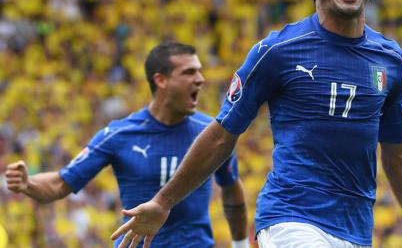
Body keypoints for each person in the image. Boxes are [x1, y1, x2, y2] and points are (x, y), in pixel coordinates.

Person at [111, 0, 402, 248]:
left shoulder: (392, 59)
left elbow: (398, 152)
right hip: (290, 218)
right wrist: (163, 201)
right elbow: (221, 135)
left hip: (356, 230)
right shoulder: (277, 51)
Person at [5, 42, 249, 248]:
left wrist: (240, 244)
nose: (200, 79)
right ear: (160, 80)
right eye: (189, 72)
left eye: (200, 71)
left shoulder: (214, 133)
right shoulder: (119, 134)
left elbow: (231, 186)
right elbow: (60, 184)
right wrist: (28, 183)